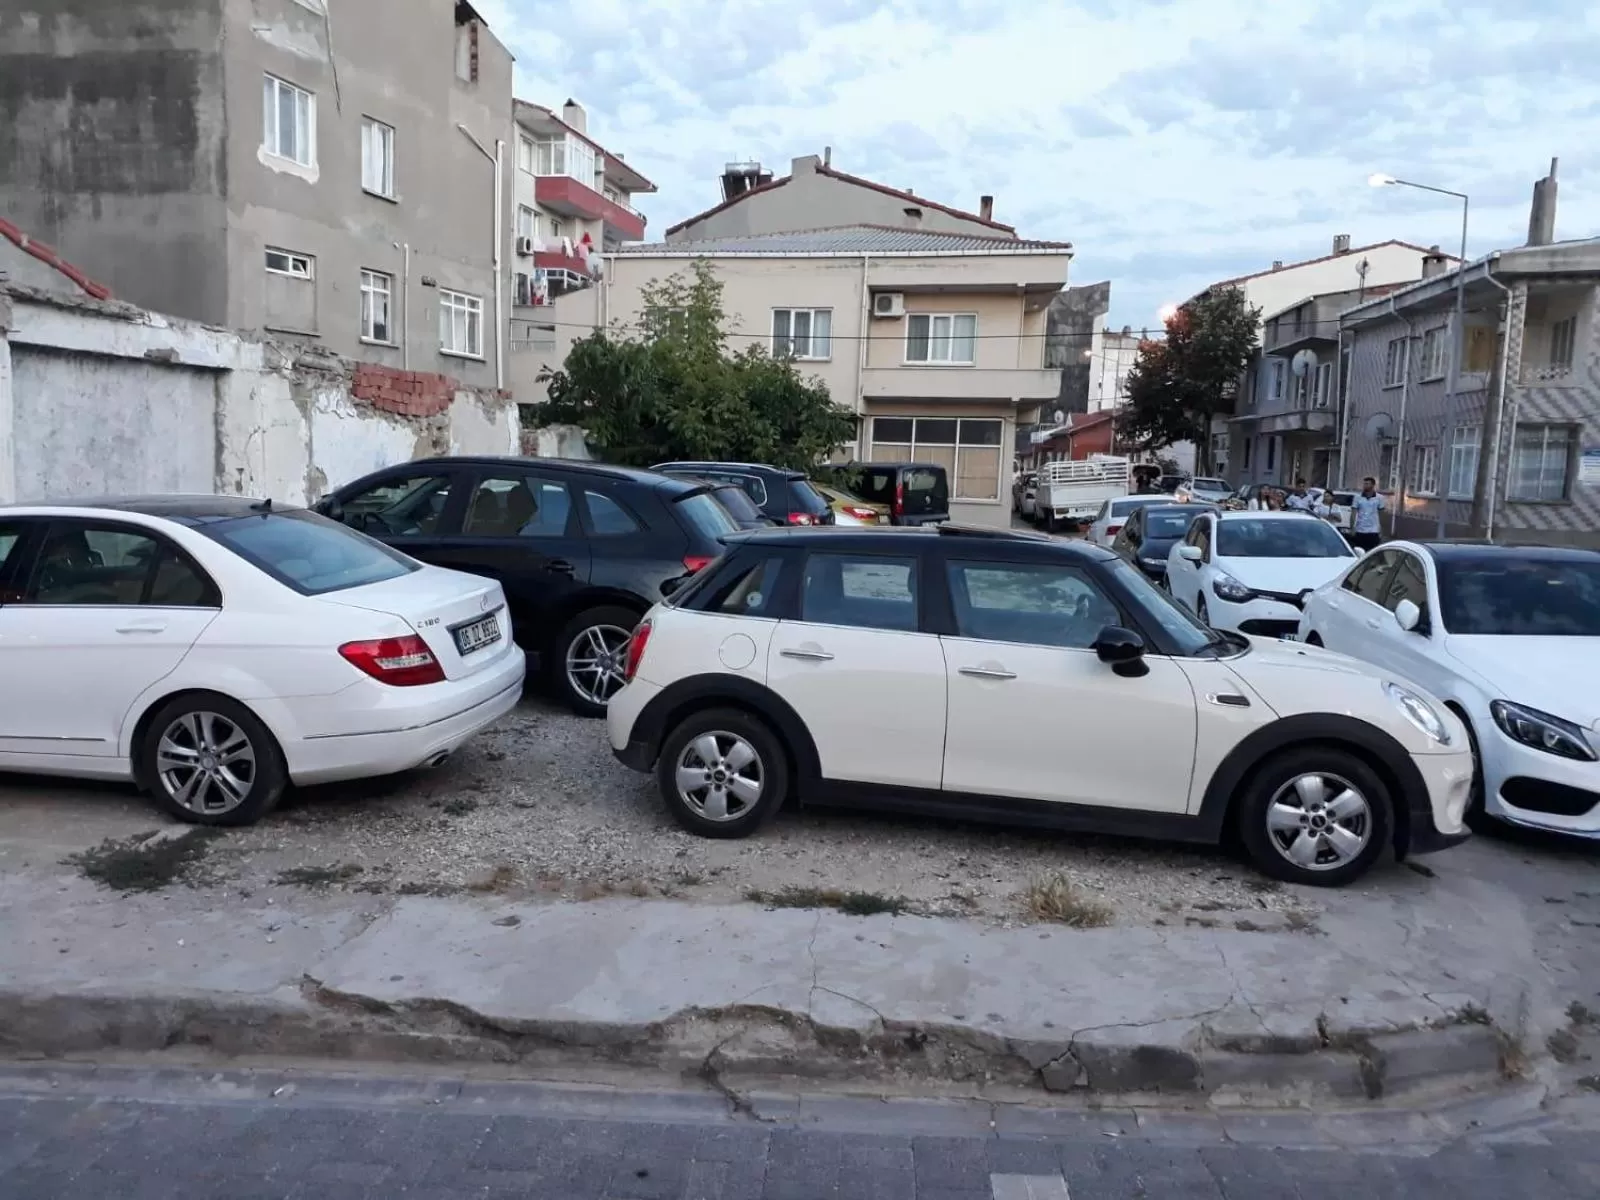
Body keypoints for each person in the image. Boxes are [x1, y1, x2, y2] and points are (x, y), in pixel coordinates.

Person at [1349, 476, 1385, 552]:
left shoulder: (1379, 498)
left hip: (1373, 530)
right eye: (1364, 484)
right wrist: (1352, 528)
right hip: (1360, 530)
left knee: (1373, 551)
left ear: (1373, 485)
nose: (1365, 486)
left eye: (1367, 484)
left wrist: (1382, 530)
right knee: (1359, 551)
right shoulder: (1357, 497)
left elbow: (1381, 514)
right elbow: (1353, 513)